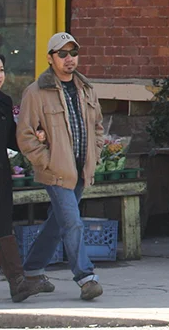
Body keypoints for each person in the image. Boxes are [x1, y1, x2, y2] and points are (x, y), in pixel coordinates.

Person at [17, 33, 104, 301]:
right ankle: (86, 278)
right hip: (55, 173)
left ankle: (31, 274)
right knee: (73, 223)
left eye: (73, 53)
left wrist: (96, 153)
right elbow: (26, 135)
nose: (69, 59)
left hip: (80, 170)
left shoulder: (86, 89)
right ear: (50, 58)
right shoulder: (35, 92)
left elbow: (98, 127)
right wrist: (47, 162)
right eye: (62, 54)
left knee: (59, 223)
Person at [0, 54, 38, 302]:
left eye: (1, 69)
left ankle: (18, 283)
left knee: (3, 225)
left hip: (1, 175)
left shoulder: (4, 101)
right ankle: (17, 281)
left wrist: (35, 137)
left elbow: (13, 139)